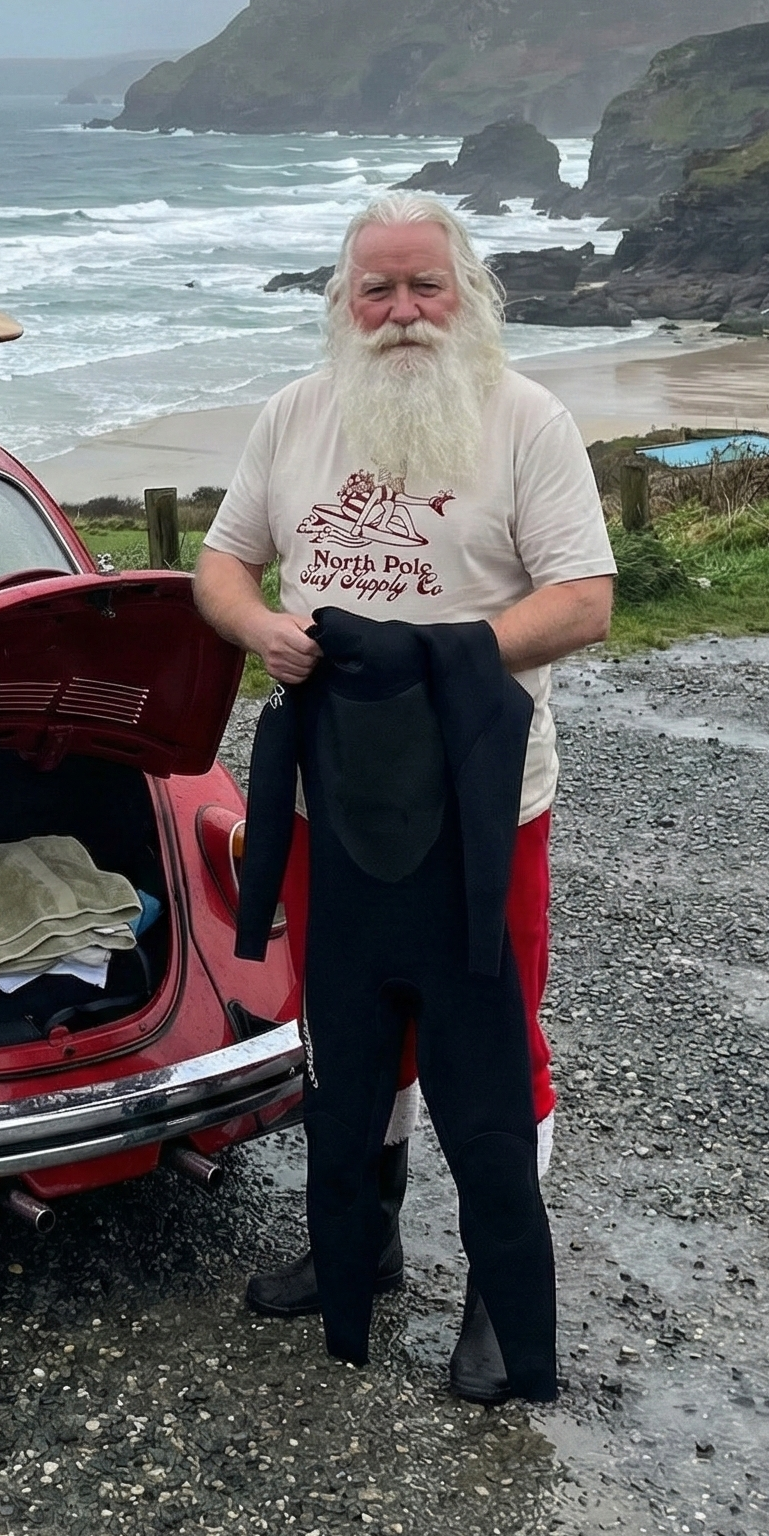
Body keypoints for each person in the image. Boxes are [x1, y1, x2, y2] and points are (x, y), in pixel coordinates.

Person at [192, 190, 614, 1394]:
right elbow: (220, 563)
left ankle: (498, 1282)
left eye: (423, 285)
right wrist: (260, 625)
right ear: (342, 303)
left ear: (467, 291)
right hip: (335, 794)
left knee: (493, 1037)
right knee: (348, 1029)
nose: (400, 311)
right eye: (374, 289)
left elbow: (582, 596)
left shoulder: (524, 418)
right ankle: (359, 1239)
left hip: (485, 797)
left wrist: (450, 653)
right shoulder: (294, 416)